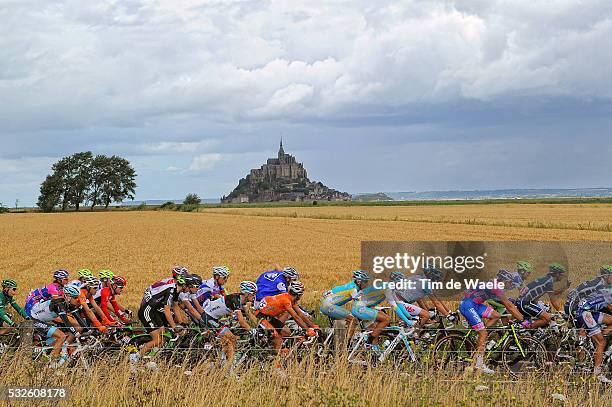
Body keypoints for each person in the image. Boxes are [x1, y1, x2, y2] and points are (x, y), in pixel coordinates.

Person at [458, 269, 526, 374]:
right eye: (509, 282)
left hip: (475, 304)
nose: (510, 285)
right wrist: (522, 320)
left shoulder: (495, 283)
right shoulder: (496, 286)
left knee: (496, 315)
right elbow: (508, 305)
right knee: (483, 333)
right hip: (468, 305)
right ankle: (479, 364)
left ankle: (480, 334)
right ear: (505, 281)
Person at [199, 281, 259, 365]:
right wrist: (253, 331)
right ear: (246, 294)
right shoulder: (236, 300)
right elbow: (242, 322)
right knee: (231, 338)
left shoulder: (242, 300)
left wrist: (259, 325)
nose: (254, 296)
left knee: (230, 341)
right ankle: (229, 368)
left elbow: (249, 314)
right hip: (207, 318)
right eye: (253, 294)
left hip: (213, 318)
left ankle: (222, 361)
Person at [132, 274, 188, 364]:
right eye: (188, 286)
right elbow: (167, 311)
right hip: (147, 311)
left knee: (163, 337)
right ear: (184, 285)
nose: (189, 289)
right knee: (158, 340)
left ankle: (150, 359)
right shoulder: (171, 290)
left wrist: (181, 322)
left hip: (154, 311)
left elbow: (175, 306)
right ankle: (135, 358)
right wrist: (175, 327)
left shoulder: (176, 291)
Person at [255, 281, 317, 354]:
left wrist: (312, 325)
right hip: (261, 318)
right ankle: (277, 357)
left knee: (287, 332)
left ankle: (276, 347)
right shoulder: (286, 300)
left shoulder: (289, 298)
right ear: (299, 295)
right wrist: (307, 329)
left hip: (269, 317)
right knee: (278, 339)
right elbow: (296, 317)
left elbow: (300, 314)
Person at [30, 285, 84, 367]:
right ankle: (51, 364)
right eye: (75, 298)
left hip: (44, 321)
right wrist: (76, 334)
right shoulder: (59, 304)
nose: (78, 300)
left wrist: (89, 330)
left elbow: (79, 319)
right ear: (68, 297)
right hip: (34, 320)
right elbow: (66, 322)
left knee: (63, 336)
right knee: (61, 336)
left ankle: (50, 352)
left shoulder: (69, 304)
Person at [384, 268, 454, 329]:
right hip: (401, 302)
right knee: (425, 316)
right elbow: (436, 303)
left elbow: (420, 299)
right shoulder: (427, 284)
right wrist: (448, 316)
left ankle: (413, 333)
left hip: (400, 300)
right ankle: (414, 333)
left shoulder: (420, 279)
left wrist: (449, 311)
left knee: (424, 316)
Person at [515, 263, 569, 328]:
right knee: (547, 318)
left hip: (525, 302)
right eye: (562, 274)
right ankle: (527, 329)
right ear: (557, 274)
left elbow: (552, 293)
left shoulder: (546, 279)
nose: (563, 276)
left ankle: (530, 330)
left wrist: (564, 288)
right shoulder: (548, 282)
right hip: (525, 303)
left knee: (546, 312)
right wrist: (562, 311)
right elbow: (553, 300)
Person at [577, 287, 612, 383]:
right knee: (601, 342)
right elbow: (610, 307)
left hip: (589, 311)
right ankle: (597, 373)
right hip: (585, 313)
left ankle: (599, 335)